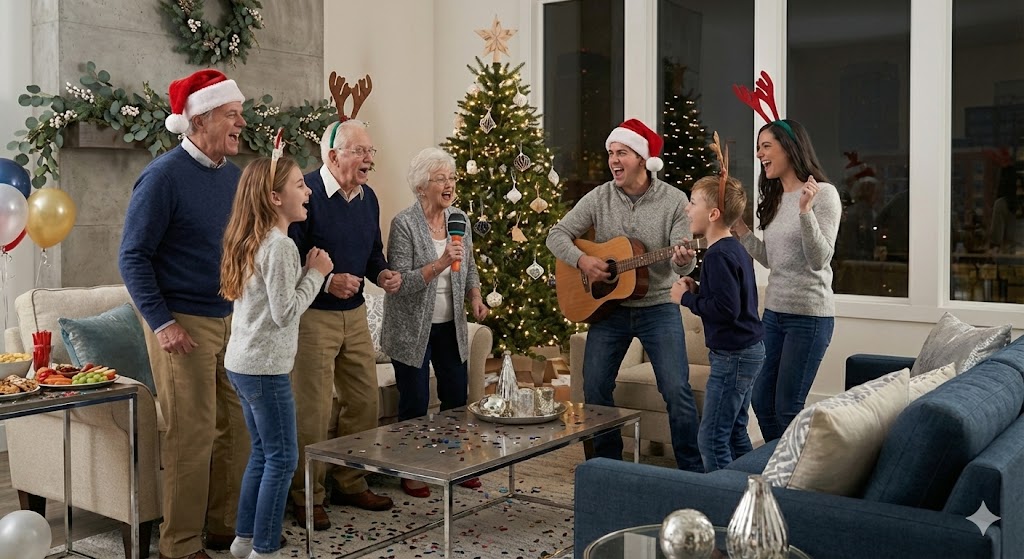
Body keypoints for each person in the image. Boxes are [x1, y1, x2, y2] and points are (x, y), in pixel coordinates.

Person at [119, 69, 250, 559]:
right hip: (182, 323)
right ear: (200, 119)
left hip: (230, 318)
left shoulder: (235, 179)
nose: (242, 122)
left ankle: (222, 524)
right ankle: (178, 543)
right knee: (191, 433)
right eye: (232, 114)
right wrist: (162, 323)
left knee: (236, 425)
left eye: (240, 113)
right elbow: (133, 257)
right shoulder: (162, 177)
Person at [546, 118, 704, 472]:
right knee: (595, 388)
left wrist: (683, 261)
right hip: (609, 311)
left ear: (643, 159)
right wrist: (583, 260)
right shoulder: (599, 196)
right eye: (611, 153)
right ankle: (607, 467)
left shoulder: (675, 201)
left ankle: (694, 472)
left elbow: (682, 269)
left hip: (658, 308)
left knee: (676, 391)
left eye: (622, 153)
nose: (614, 160)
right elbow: (556, 235)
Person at [287, 119, 403, 530]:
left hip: (355, 315)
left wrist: (383, 273)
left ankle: (350, 481)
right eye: (360, 151)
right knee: (313, 410)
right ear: (333, 156)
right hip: (312, 316)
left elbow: (372, 252)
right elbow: (288, 254)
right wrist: (327, 281)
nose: (369, 158)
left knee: (363, 402)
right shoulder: (302, 193)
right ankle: (306, 495)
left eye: (371, 151)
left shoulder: (369, 198)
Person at [220, 156, 333, 559]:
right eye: (300, 184)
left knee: (263, 453)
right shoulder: (281, 246)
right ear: (274, 197)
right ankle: (265, 549)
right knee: (283, 458)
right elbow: (285, 312)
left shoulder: (255, 240)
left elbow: (272, 304)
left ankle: (244, 539)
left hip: (242, 364)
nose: (308, 191)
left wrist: (303, 273)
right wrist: (318, 273)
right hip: (266, 370)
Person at [380, 147, 489, 498]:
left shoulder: (459, 218)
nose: (449, 184)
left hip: (451, 324)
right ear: (421, 186)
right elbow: (401, 284)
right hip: (412, 327)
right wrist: (440, 263)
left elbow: (468, 264)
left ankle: (453, 462)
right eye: (440, 178)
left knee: (456, 397)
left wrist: (475, 296)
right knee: (414, 400)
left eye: (452, 178)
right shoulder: (404, 224)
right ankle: (410, 468)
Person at [731, 119, 841, 442]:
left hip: (810, 317)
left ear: (789, 148)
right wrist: (741, 231)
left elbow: (820, 258)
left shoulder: (824, 195)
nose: (759, 154)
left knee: (786, 406)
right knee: (761, 399)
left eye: (766, 146)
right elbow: (771, 259)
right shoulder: (777, 198)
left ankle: (794, 476)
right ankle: (783, 465)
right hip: (775, 315)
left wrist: (806, 211)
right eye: (758, 146)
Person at [670, 172, 764, 472]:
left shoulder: (716, 255)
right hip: (748, 350)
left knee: (710, 439)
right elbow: (731, 299)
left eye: (693, 202)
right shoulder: (733, 248)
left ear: (713, 213)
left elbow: (726, 311)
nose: (687, 208)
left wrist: (684, 299)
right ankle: (753, 497)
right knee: (735, 432)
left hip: (733, 357)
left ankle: (725, 506)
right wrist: (699, 290)